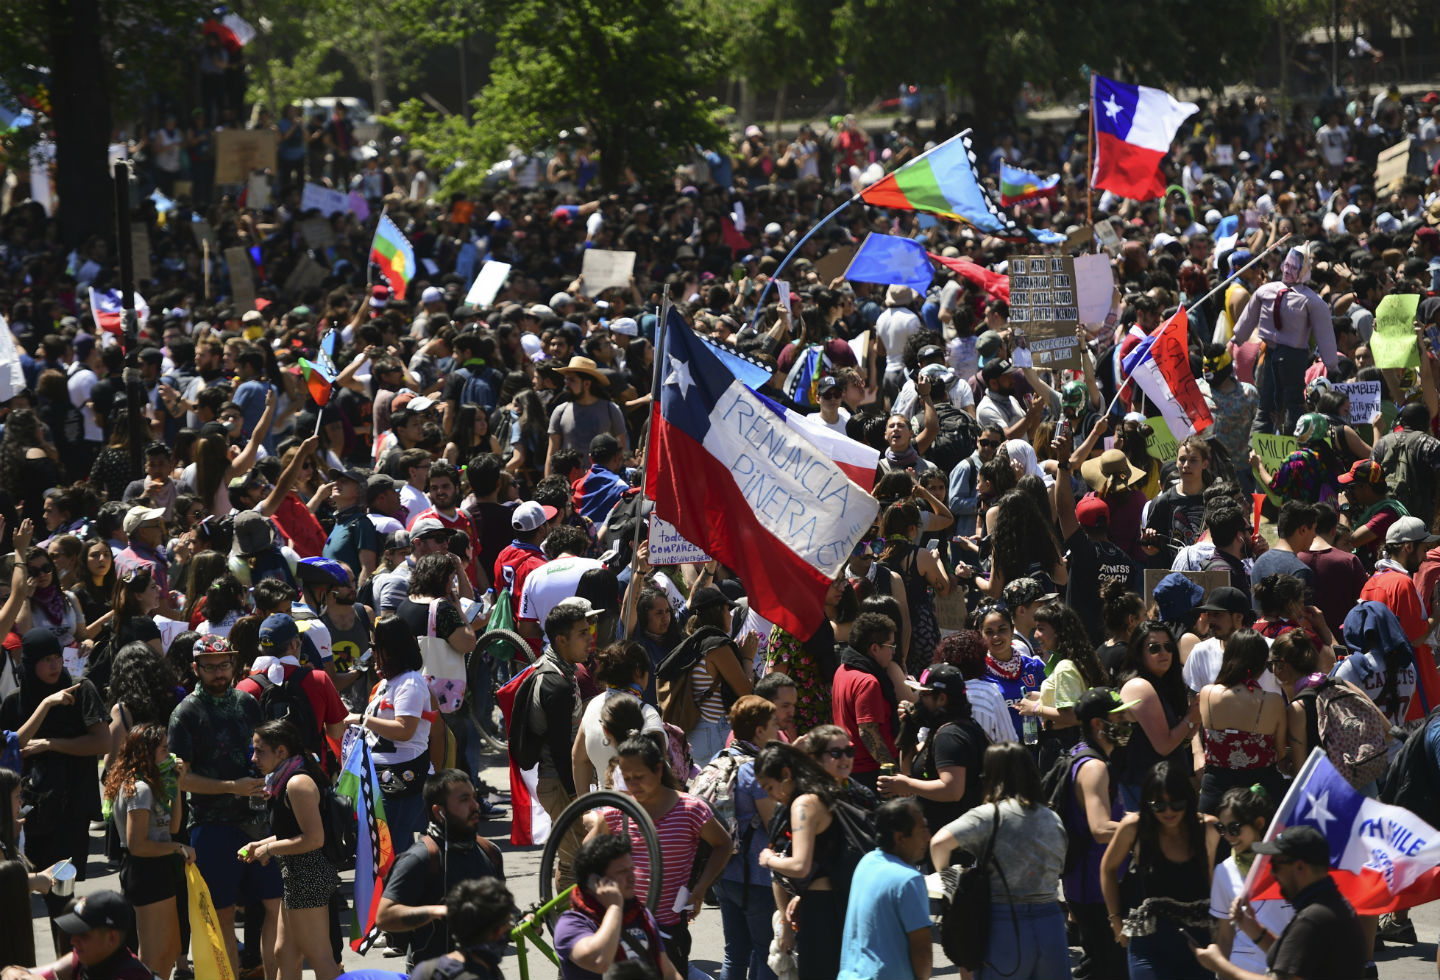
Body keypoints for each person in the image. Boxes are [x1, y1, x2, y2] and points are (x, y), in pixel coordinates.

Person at [168, 632, 281, 979]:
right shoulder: (185, 713)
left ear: (234, 663)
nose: (218, 673)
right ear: (196, 668)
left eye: (223, 665)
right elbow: (180, 779)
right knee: (222, 915)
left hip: (259, 824)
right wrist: (233, 788)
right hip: (212, 826)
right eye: (210, 667)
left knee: (276, 907)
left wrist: (268, 780)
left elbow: (263, 753)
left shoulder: (247, 702)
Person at [0, 629, 108, 956]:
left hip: (70, 815)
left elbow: (102, 743)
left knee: (64, 901)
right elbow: (10, 744)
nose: (54, 665)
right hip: (25, 817)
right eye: (46, 659)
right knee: (19, 900)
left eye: (58, 657)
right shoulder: (14, 701)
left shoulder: (80, 689)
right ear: (30, 663)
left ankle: (68, 967)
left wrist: (52, 744)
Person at [586, 734, 731, 973]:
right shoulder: (617, 812)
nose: (633, 785)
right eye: (627, 778)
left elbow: (723, 844)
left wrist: (701, 888)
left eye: (639, 777)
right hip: (624, 926)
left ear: (658, 770)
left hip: (668, 928)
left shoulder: (690, 809)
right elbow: (587, 857)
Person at [930, 743, 1070, 980]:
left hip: (1004, 923)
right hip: (1051, 921)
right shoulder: (1051, 817)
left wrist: (948, 880)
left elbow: (938, 844)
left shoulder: (989, 816)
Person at [1192, 825, 1365, 980]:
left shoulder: (1312, 920)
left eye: (1276, 865)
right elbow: (1293, 957)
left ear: (1299, 867)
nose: (1272, 874)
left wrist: (1220, 965)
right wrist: (1255, 930)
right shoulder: (1331, 904)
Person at [240, 718, 342, 980]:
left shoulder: (297, 784)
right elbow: (291, 832)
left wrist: (271, 850)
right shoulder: (283, 780)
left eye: (259, 751)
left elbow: (313, 838)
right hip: (296, 876)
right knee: (284, 952)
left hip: (308, 877)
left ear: (281, 751)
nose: (253, 759)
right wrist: (261, 844)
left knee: (320, 957)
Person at [377, 769, 506, 972]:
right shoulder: (421, 858)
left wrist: (521, 919)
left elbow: (501, 910)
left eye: (474, 797)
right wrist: (439, 911)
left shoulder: (490, 852)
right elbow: (384, 916)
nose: (475, 806)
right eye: (464, 800)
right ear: (439, 811)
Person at [1101, 760, 1217, 980]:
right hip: (1148, 941)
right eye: (1159, 805)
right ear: (1147, 803)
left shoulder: (1207, 828)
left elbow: (1213, 880)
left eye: (1176, 803)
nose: (1169, 811)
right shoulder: (1133, 827)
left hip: (1198, 940)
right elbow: (1107, 868)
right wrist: (1116, 921)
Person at [755, 741, 851, 980]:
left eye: (769, 787)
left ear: (786, 774)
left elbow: (800, 865)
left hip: (822, 910)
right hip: (840, 900)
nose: (771, 796)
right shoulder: (825, 792)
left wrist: (769, 860)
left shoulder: (803, 803)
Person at [101, 723, 191, 980]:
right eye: (164, 749)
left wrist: (177, 784)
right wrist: (177, 848)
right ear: (146, 753)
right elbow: (137, 845)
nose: (170, 754)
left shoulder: (156, 784)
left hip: (160, 867)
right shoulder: (139, 788)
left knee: (170, 949)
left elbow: (173, 827)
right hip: (145, 871)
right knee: (152, 955)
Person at [1061, 688, 1133, 980]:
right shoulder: (1094, 768)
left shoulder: (1082, 756)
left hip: (1088, 884)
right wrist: (1153, 830)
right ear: (1098, 725)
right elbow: (1101, 829)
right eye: (1120, 717)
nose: (1127, 721)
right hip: (1095, 887)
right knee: (1107, 968)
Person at [348, 614, 433, 855]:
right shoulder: (388, 683)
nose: (372, 653)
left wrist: (363, 719)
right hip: (378, 778)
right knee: (395, 852)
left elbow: (405, 730)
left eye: (376, 647)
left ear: (392, 649)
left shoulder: (410, 682)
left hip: (401, 781)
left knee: (389, 852)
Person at [713, 696, 780, 980]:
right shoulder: (755, 770)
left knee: (735, 954)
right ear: (759, 731)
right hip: (755, 878)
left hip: (724, 872)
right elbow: (773, 824)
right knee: (766, 955)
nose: (778, 730)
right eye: (774, 724)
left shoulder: (722, 758)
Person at [554, 834, 681, 980]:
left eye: (631, 869)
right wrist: (614, 907)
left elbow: (669, 973)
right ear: (595, 881)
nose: (633, 877)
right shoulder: (571, 924)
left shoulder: (639, 914)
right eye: (622, 871)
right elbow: (599, 961)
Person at [879, 663, 986, 832]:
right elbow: (909, 767)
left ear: (942, 698)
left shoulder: (950, 735)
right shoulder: (946, 728)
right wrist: (909, 728)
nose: (918, 700)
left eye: (924, 695)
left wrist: (908, 785)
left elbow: (952, 790)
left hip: (954, 838)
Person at [1203, 785, 1295, 978]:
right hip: (1243, 969)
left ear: (1259, 824)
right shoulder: (1223, 871)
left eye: (1234, 828)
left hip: (1288, 968)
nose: (1228, 836)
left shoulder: (1290, 863)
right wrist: (1223, 973)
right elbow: (1225, 936)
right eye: (1222, 828)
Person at [838, 798, 932, 980]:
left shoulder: (867, 862)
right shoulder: (909, 880)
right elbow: (922, 950)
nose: (928, 837)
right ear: (900, 838)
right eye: (922, 829)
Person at [1196, 629, 1287, 811]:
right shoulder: (1273, 701)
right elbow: (1280, 751)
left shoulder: (1206, 693)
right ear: (1261, 663)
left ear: (1228, 657)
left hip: (1216, 789)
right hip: (1259, 791)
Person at [1114, 622, 1199, 809]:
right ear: (1138, 652)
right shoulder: (1139, 687)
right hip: (1144, 793)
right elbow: (1164, 746)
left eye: (1168, 647)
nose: (1164, 653)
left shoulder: (1164, 685)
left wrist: (1193, 724)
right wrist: (1190, 719)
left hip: (1167, 790)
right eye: (1154, 648)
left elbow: (1177, 743)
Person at [17, 890, 157, 980]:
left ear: (112, 938)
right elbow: (29, 973)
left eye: (83, 934)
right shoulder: (87, 958)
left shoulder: (130, 975)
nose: (73, 941)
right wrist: (13, 972)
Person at [831, 612, 900, 790]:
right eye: (890, 646)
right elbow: (868, 732)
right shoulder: (868, 682)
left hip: (851, 768)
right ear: (874, 648)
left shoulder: (843, 669)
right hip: (870, 773)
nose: (893, 652)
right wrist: (893, 772)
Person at [408, 877, 515, 980]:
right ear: (497, 932)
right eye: (508, 922)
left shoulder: (424, 970)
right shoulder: (484, 975)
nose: (510, 926)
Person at [797, 723, 879, 810]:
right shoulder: (809, 800)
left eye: (848, 751)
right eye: (835, 753)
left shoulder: (862, 793)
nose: (845, 758)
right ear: (815, 758)